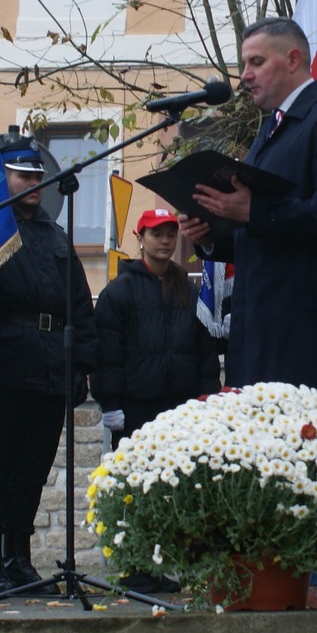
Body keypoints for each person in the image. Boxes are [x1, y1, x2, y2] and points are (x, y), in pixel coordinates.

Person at [179, 17, 317, 403]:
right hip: (257, 329)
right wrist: (212, 233)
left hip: (304, 337)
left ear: (293, 59)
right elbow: (261, 229)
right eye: (243, 64)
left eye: (256, 62)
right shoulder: (271, 130)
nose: (244, 76)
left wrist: (251, 212)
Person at [0, 132, 96, 596]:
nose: (33, 183)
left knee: (32, 469)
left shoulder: (55, 236)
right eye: (22, 175)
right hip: (3, 365)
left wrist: (80, 367)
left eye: (37, 176)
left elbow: (79, 305)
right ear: (1, 178)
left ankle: (18, 556)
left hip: (49, 366)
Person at [93, 207, 222, 594]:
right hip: (136, 408)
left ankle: (162, 565)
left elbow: (204, 353)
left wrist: (208, 399)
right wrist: (109, 402)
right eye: (156, 234)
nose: (164, 241)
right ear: (140, 238)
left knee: (173, 492)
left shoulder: (189, 289)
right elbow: (106, 354)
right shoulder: (119, 292)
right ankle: (134, 567)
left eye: (170, 234)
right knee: (135, 490)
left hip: (179, 409)